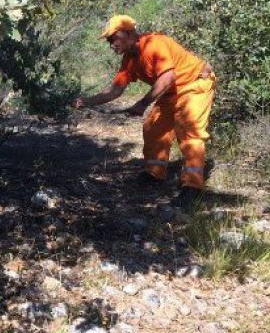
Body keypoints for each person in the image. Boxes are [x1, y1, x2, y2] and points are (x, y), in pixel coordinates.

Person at [72, 15, 216, 208]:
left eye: (114, 38)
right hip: (172, 91)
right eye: (109, 41)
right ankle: (155, 174)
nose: (112, 44)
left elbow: (167, 78)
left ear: (129, 33)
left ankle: (192, 187)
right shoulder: (129, 60)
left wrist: (142, 103)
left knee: (188, 131)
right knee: (153, 128)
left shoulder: (154, 44)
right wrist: (85, 102)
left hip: (194, 83)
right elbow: (115, 91)